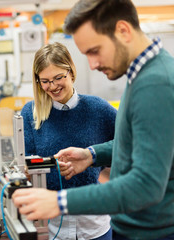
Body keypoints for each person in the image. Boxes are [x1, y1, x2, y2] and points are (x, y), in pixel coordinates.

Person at [12, 0, 174, 239]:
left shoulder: (155, 83)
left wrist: (60, 201)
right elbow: (133, 144)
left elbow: (146, 186)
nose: (92, 64)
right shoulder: (142, 76)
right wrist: (92, 154)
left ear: (123, 30)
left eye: (95, 50)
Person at [21, 42, 116, 240]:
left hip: (94, 223)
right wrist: (26, 171)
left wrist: (93, 156)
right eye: (45, 81)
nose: (53, 86)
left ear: (71, 72)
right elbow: (27, 162)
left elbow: (128, 145)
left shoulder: (98, 109)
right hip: (52, 226)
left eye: (58, 78)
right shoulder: (31, 113)